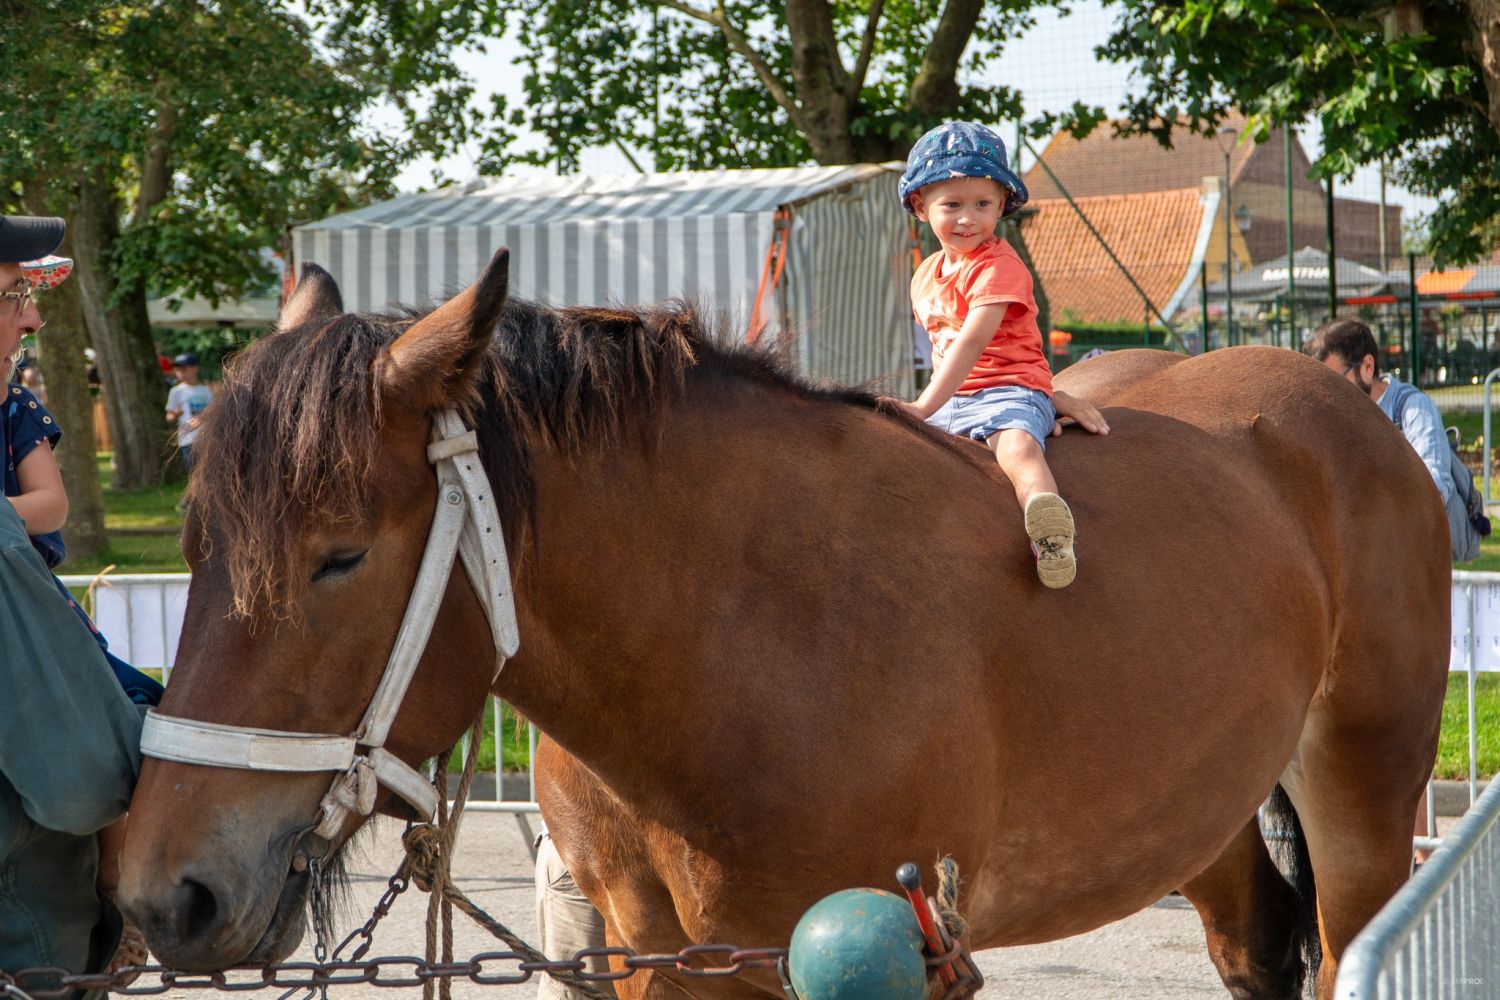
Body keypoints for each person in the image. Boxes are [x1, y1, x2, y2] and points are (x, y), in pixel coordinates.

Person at [0, 213, 148, 992]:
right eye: (11, 295)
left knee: (122, 713)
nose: (30, 315)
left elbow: (50, 505)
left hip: (32, 602)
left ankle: (118, 884)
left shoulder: (17, 408)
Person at [897, 122, 1109, 588]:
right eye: (952, 205)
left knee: (1017, 448)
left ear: (1000, 207)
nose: (967, 218)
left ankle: (1050, 534)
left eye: (982, 205)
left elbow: (972, 343)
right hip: (953, 398)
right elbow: (941, 348)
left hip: (1008, 387)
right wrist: (936, 408)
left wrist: (919, 407)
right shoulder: (926, 274)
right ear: (920, 206)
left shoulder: (1000, 267)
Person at [1302, 317, 1481, 865]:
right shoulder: (1340, 417)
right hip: (1375, 569)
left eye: (1334, 378)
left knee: (1407, 709)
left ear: (1368, 367)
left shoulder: (1411, 407)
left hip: (1421, 555)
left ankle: (1420, 849)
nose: (1328, 393)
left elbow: (1431, 485)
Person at [165, 352, 212, 471]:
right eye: (177, 369)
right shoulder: (176, 391)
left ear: (195, 368)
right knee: (193, 473)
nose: (180, 372)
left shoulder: (205, 390)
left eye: (184, 368)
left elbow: (213, 411)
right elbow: (169, 417)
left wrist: (204, 416)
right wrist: (175, 414)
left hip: (206, 438)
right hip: (187, 440)